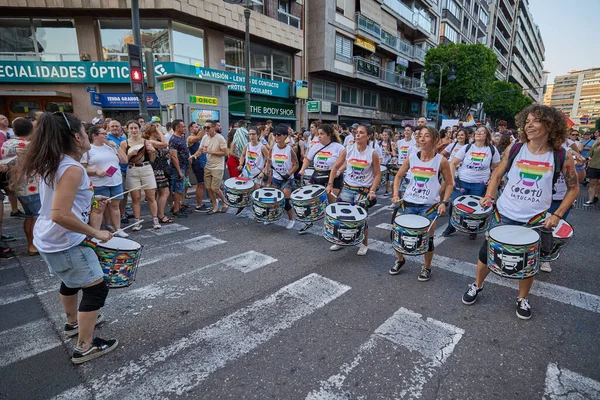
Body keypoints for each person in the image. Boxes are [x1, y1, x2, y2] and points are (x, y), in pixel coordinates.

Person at [461, 105, 578, 320]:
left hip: (535, 221)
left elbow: (573, 188)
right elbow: (497, 174)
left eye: (536, 121)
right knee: (486, 255)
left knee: (528, 261)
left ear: (550, 125)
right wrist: (489, 194)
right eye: (527, 121)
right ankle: (477, 285)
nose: (529, 125)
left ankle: (522, 298)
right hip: (503, 214)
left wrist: (557, 214)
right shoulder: (515, 149)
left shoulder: (562, 155)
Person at [18, 112, 117, 363]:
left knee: (71, 281)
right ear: (76, 137)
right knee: (96, 288)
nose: (87, 136)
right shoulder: (72, 168)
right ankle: (85, 346)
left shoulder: (56, 161)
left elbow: (62, 203)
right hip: (64, 240)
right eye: (85, 132)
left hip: (49, 239)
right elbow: (60, 214)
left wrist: (93, 202)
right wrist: (96, 232)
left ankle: (73, 323)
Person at [390, 126, 453, 280]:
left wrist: (444, 202)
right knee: (395, 233)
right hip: (408, 203)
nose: (422, 139)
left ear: (435, 139)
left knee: (427, 240)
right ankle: (400, 260)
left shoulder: (441, 161)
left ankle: (426, 267)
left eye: (426, 136)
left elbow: (450, 183)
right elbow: (398, 176)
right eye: (420, 136)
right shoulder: (411, 158)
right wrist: (395, 193)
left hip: (429, 206)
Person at [327, 125, 381, 256]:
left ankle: (364, 243)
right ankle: (341, 240)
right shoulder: (348, 149)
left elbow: (378, 174)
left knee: (361, 219)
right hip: (347, 188)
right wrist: (330, 183)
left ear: (368, 136)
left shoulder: (372, 153)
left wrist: (372, 191)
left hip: (362, 191)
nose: (357, 135)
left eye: (361, 133)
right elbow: (335, 167)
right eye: (356, 133)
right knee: (343, 216)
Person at [442, 126, 500, 239]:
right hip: (462, 182)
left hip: (480, 184)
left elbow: (497, 167)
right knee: (454, 205)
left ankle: (473, 229)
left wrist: (492, 178)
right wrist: (452, 179)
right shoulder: (467, 147)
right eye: (477, 131)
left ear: (487, 136)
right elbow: (453, 163)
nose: (478, 133)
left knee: (477, 208)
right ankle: (451, 226)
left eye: (482, 132)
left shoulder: (492, 150)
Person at [81, 126, 128, 237]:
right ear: (94, 135)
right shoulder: (88, 150)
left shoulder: (110, 147)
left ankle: (118, 229)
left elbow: (124, 160)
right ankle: (95, 232)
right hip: (98, 183)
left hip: (115, 181)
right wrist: (95, 171)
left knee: (115, 206)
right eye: (103, 134)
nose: (106, 136)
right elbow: (81, 169)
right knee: (98, 208)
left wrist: (116, 146)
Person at [3, 118, 40, 255]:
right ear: (31, 130)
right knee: (38, 216)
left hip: (17, 186)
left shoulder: (6, 144)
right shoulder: (29, 145)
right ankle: (33, 245)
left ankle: (31, 244)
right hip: (33, 186)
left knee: (29, 216)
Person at [299, 124, 345, 232]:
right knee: (309, 199)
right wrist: (302, 169)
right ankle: (308, 222)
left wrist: (339, 171)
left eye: (322, 134)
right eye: (318, 134)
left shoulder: (339, 147)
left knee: (331, 203)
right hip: (317, 175)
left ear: (329, 134)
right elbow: (308, 159)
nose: (319, 136)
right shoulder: (315, 146)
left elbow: (346, 162)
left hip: (332, 177)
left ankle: (333, 227)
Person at [120, 120, 160, 230]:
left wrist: (153, 152)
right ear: (127, 130)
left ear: (139, 129)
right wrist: (129, 154)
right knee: (135, 198)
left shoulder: (146, 142)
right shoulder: (124, 143)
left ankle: (155, 220)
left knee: (151, 196)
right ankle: (137, 222)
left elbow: (152, 159)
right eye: (131, 128)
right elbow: (123, 161)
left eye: (135, 128)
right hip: (132, 169)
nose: (133, 130)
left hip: (146, 168)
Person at [190, 120, 228, 214]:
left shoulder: (220, 138)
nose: (206, 129)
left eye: (208, 127)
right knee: (209, 188)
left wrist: (211, 152)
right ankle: (215, 206)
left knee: (215, 188)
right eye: (204, 127)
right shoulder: (204, 138)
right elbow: (200, 150)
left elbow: (225, 152)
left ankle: (224, 201)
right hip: (208, 166)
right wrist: (194, 156)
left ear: (214, 127)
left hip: (217, 167)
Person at [264, 124, 298, 229]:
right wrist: (267, 174)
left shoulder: (290, 150)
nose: (276, 137)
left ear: (285, 136)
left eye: (279, 135)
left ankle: (291, 219)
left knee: (286, 201)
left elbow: (296, 164)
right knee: (273, 199)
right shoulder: (272, 148)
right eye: (275, 135)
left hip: (287, 179)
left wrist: (288, 174)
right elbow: (269, 162)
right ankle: (272, 216)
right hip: (276, 178)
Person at [143, 123, 172, 223]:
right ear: (152, 132)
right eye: (156, 131)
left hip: (162, 168)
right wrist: (160, 131)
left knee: (160, 193)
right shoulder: (149, 141)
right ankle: (160, 214)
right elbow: (165, 144)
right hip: (156, 169)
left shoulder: (157, 140)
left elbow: (166, 151)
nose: (159, 132)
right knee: (165, 192)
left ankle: (159, 213)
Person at [106, 120, 129, 225]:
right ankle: (114, 218)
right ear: (108, 128)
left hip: (126, 169)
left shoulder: (124, 139)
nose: (115, 128)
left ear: (121, 128)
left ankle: (123, 212)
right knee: (115, 197)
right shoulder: (106, 139)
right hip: (114, 172)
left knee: (124, 194)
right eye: (112, 126)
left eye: (117, 126)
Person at [187, 122, 210, 213]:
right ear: (191, 129)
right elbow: (198, 138)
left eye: (198, 127)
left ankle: (201, 203)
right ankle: (199, 205)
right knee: (200, 185)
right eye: (196, 127)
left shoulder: (200, 138)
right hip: (198, 164)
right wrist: (204, 128)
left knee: (202, 185)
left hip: (203, 163)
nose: (198, 129)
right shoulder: (190, 138)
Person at [584, 139, 600, 206]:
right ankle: (590, 200)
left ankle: (596, 196)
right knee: (593, 184)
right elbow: (589, 155)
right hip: (593, 166)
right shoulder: (596, 146)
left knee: (599, 183)